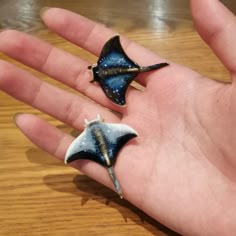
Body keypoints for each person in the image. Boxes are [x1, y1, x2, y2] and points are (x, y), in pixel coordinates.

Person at [0, 0, 236, 235]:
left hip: (116, 89)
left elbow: (119, 99)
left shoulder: (106, 101)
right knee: (139, 74)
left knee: (138, 74)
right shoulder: (109, 103)